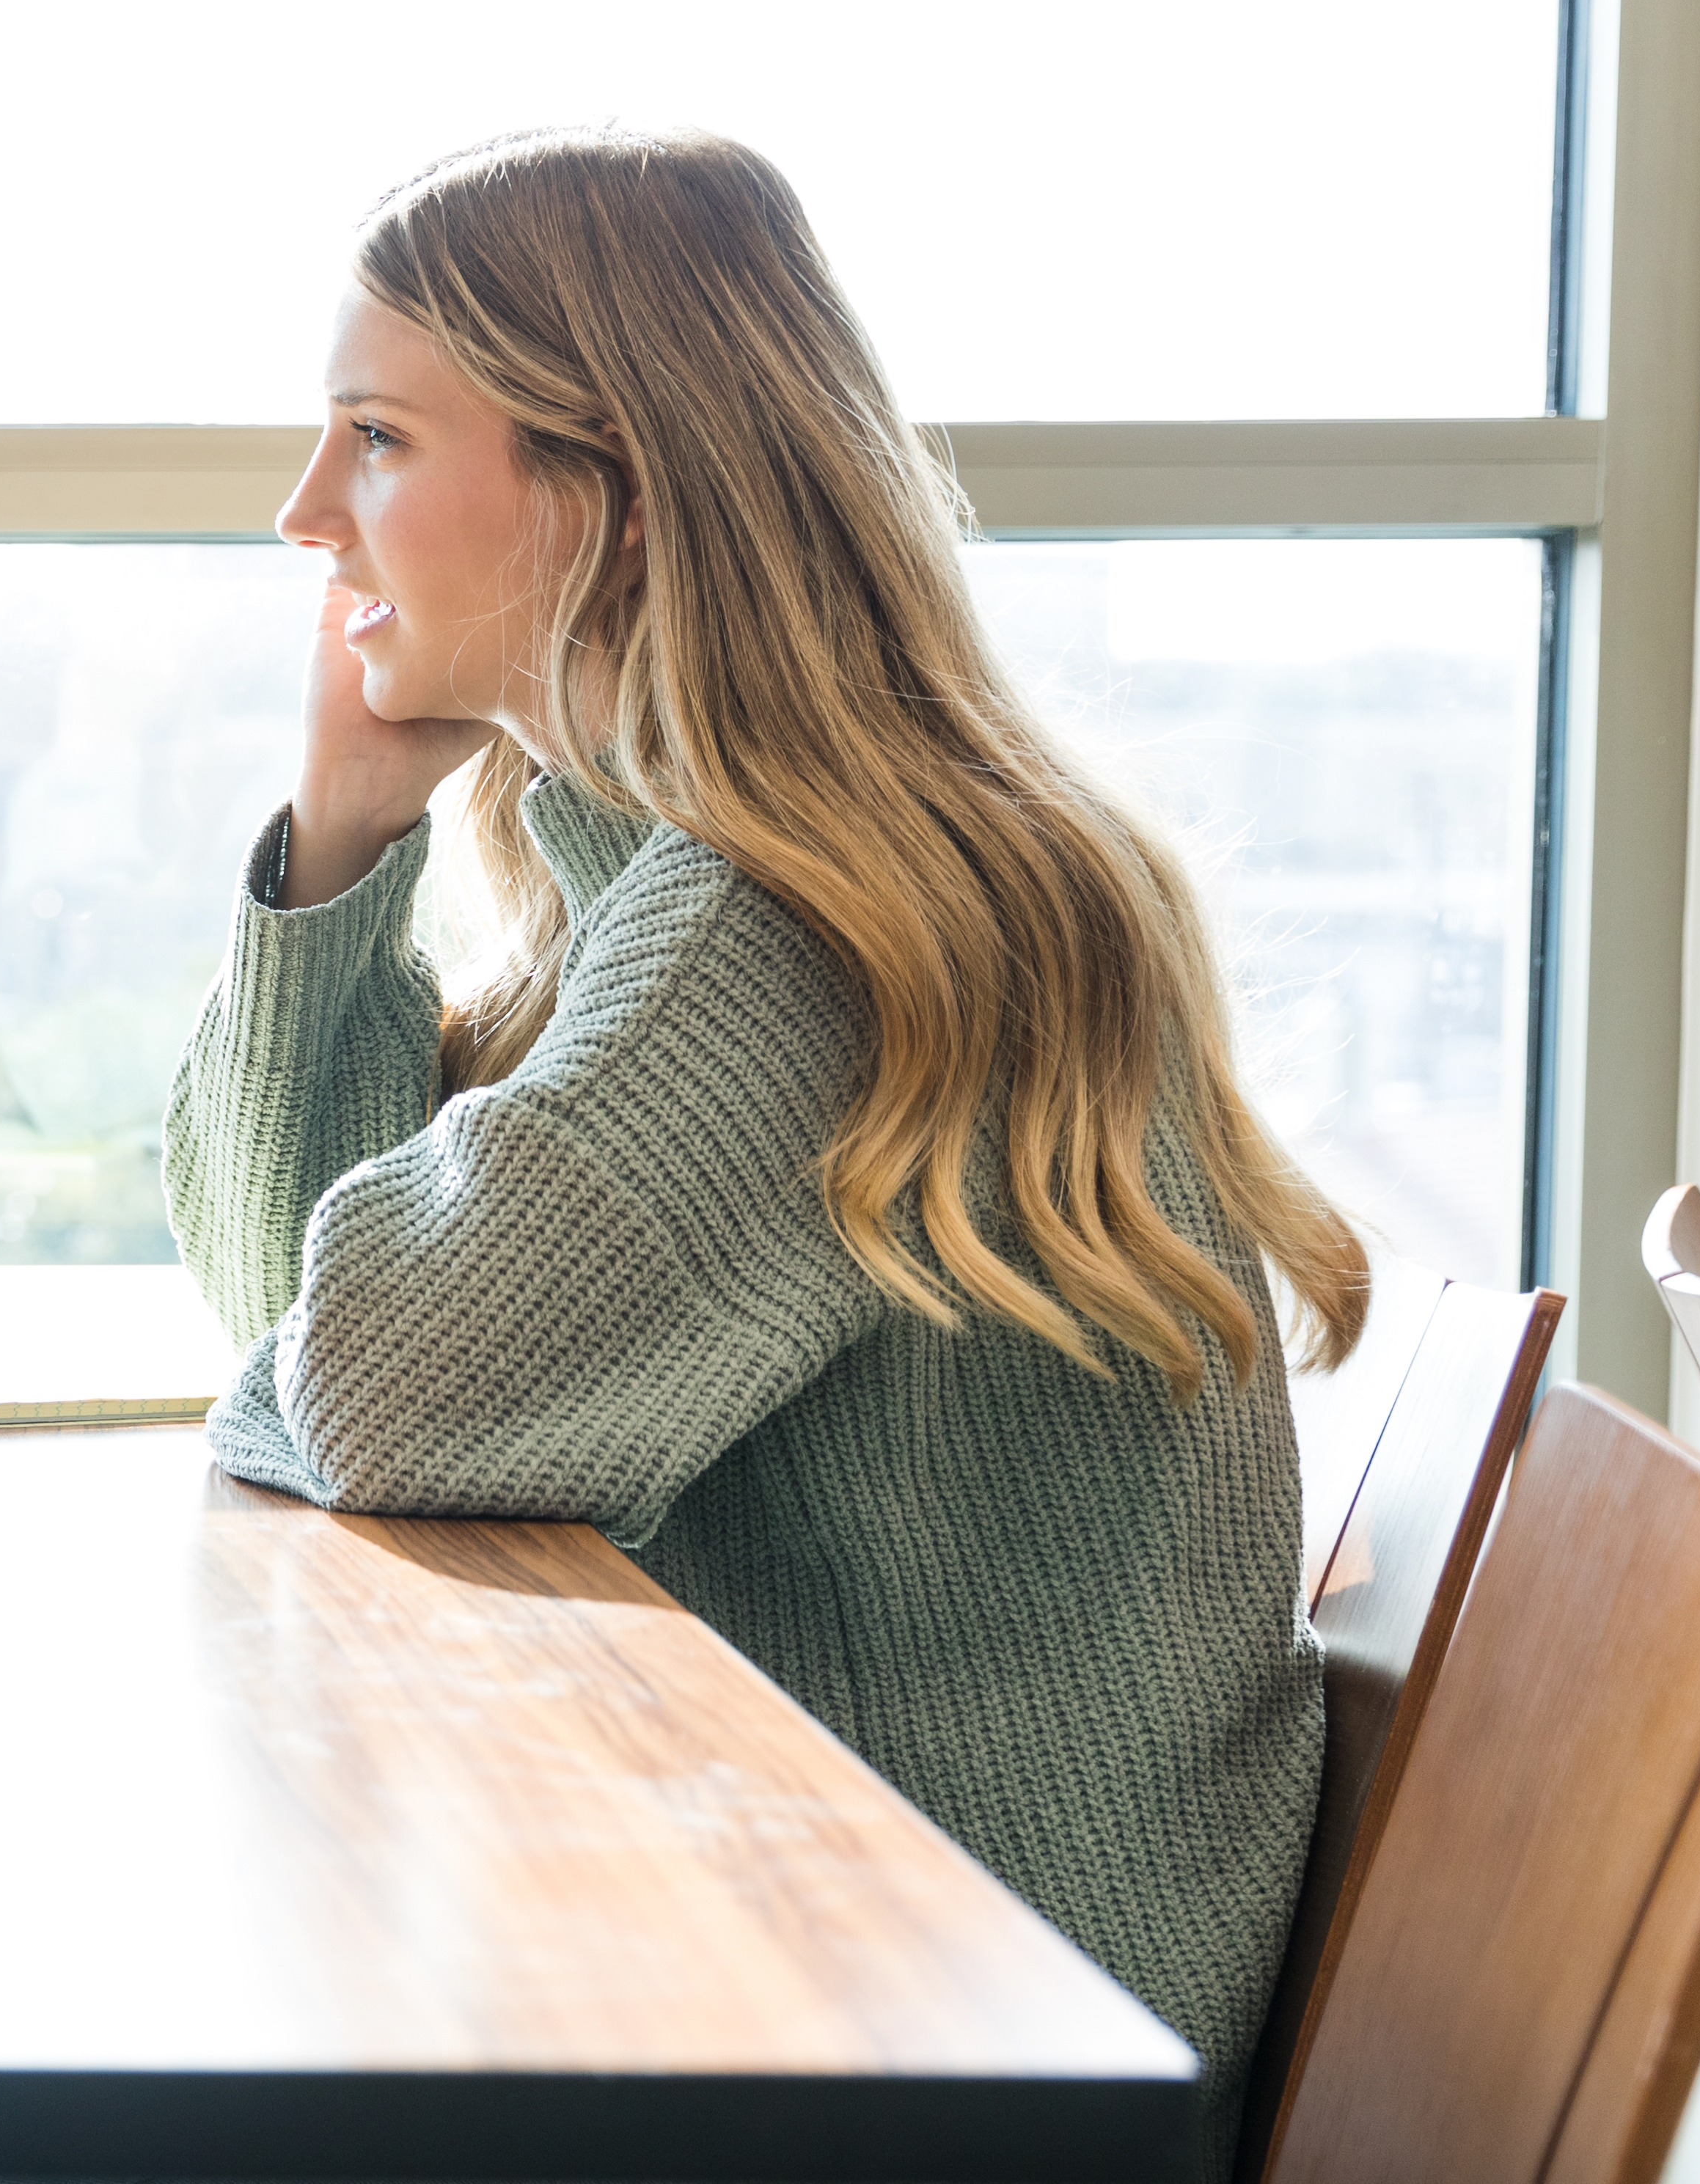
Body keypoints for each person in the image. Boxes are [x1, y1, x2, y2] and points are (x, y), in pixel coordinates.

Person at [162, 126, 1363, 2169]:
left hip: (937, 2063)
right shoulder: (716, 876)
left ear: (612, 497)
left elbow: (364, 1392)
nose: (303, 514)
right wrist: (345, 837)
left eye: (375, 436)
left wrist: (334, 1361)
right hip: (865, 1995)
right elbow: (304, 1324)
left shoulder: (807, 917)